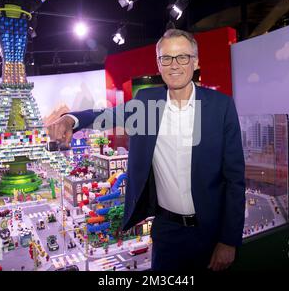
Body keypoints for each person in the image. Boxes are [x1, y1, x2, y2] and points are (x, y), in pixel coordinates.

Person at [47, 29, 245, 271]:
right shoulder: (146, 103)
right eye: (166, 58)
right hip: (166, 231)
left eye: (183, 57)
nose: (174, 65)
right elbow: (105, 115)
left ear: (196, 62)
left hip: (211, 231)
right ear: (158, 64)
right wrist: (71, 119)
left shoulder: (221, 106)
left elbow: (235, 180)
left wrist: (229, 240)